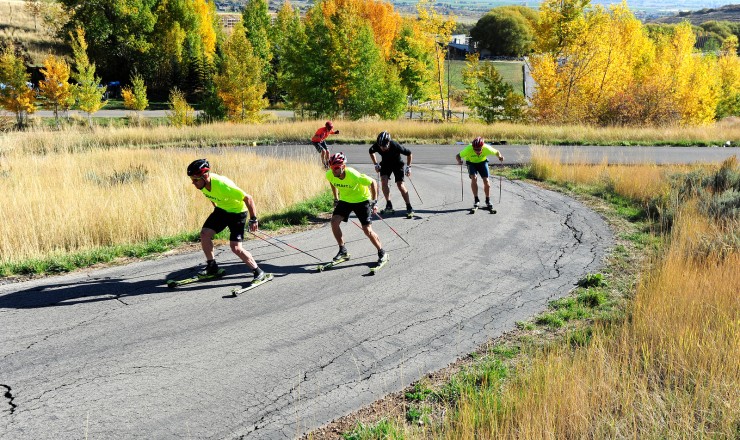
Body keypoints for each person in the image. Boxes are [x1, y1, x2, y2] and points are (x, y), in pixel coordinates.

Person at [186, 159, 266, 282]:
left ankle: (258, 272)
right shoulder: (202, 185)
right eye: (192, 179)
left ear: (205, 176)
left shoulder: (223, 185)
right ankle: (212, 267)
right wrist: (216, 208)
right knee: (204, 234)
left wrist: (253, 219)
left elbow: (248, 198)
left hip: (237, 213)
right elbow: (212, 196)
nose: (193, 183)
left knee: (236, 248)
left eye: (195, 179)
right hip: (222, 210)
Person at [325, 152, 388, 266]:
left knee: (367, 230)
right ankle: (343, 250)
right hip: (345, 200)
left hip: (361, 200)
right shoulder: (330, 174)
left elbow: (373, 182)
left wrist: (374, 202)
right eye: (332, 168)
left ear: (343, 167)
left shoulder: (353, 174)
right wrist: (336, 198)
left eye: (336, 168)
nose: (334, 170)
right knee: (334, 222)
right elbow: (332, 183)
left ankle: (381, 252)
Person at [368, 131, 414, 217]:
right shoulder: (378, 145)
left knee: (400, 185)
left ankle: (409, 206)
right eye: (380, 146)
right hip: (385, 164)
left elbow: (409, 153)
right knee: (383, 182)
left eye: (384, 146)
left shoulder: (395, 145)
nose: (382, 148)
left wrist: (409, 167)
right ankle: (389, 205)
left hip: (397, 164)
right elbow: (371, 151)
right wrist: (375, 164)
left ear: (389, 142)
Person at [455, 137, 504, 210]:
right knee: (474, 178)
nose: (477, 151)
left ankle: (488, 200)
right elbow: (458, 156)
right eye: (475, 149)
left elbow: (497, 152)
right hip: (471, 163)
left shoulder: (487, 148)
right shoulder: (469, 148)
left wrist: (500, 157)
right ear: (473, 147)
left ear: (482, 147)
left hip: (482, 162)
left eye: (479, 149)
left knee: (486, 180)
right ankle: (476, 200)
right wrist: (459, 161)